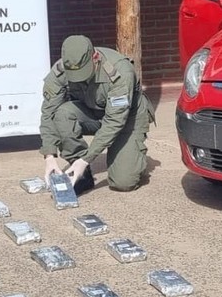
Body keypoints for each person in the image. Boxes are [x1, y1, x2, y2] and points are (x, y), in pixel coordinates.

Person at [40, 35, 155, 193]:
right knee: (62, 114)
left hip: (127, 119)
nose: (78, 78)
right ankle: (80, 171)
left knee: (123, 183)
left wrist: (87, 159)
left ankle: (128, 153)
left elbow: (115, 121)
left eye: (83, 72)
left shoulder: (120, 71)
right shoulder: (59, 71)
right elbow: (48, 113)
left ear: (95, 57)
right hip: (92, 112)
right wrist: (49, 156)